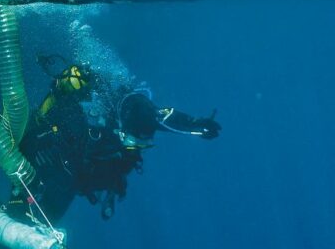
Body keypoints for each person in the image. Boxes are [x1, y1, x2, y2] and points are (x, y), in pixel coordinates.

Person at [16, 56, 221, 222]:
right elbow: (40, 142)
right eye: (136, 141)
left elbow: (163, 118)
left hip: (73, 181)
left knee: (40, 222)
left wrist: (194, 124)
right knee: (25, 213)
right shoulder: (85, 117)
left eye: (142, 143)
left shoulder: (137, 116)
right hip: (54, 173)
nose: (136, 147)